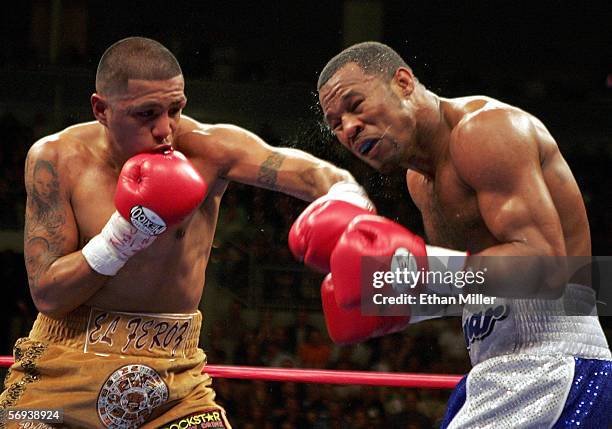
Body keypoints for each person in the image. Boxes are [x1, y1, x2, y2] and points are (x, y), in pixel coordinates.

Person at [0, 37, 373, 428]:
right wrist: (122, 237)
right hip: (61, 373)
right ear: (101, 109)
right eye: (146, 114)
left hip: (173, 381)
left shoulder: (210, 150)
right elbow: (47, 294)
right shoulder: (56, 159)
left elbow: (321, 176)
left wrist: (350, 201)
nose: (165, 129)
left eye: (175, 109)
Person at [288, 41, 612, 427]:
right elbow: (475, 284)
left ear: (404, 82)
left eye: (356, 106)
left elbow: (544, 266)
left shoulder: (485, 131)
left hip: (555, 366)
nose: (349, 128)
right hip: (499, 369)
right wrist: (395, 298)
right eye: (336, 124)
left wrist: (417, 272)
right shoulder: (419, 182)